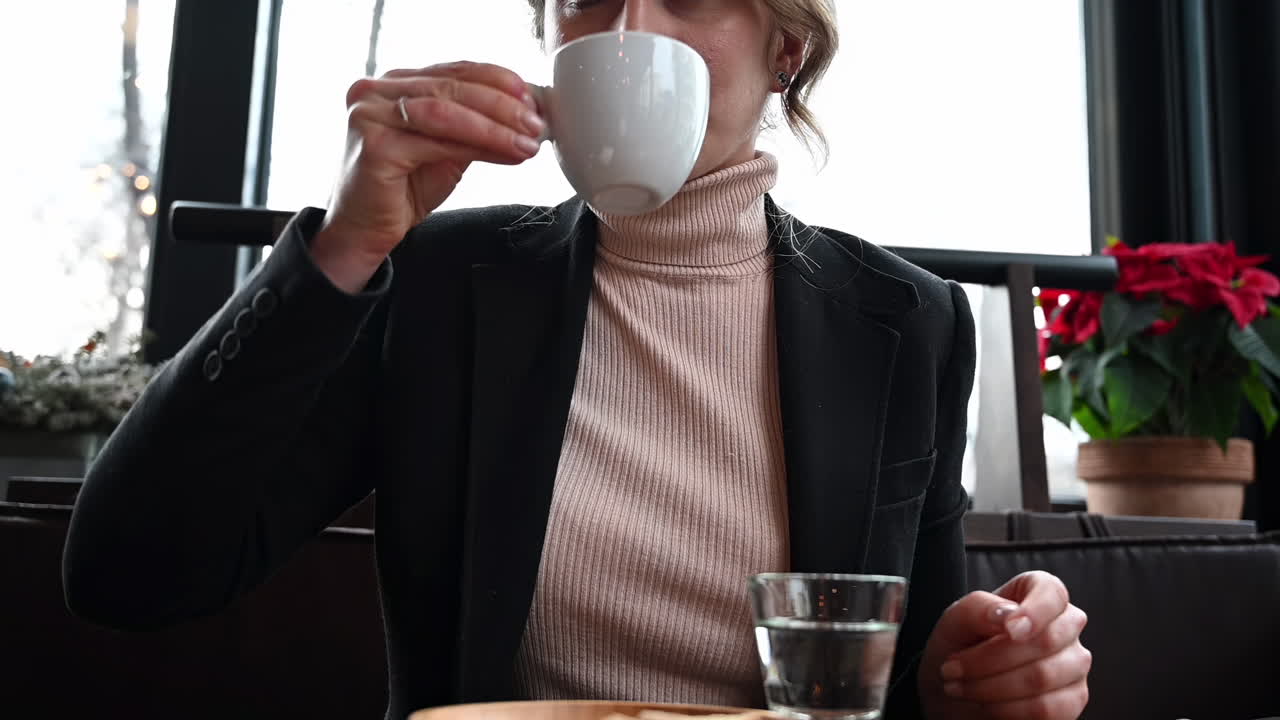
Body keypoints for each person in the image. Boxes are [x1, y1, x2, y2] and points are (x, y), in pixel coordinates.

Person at [63, 1, 1091, 718]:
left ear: (785, 47)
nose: (627, 29)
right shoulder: (441, 281)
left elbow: (904, 677)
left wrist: (984, 675)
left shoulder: (906, 322)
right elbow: (128, 574)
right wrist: (341, 247)